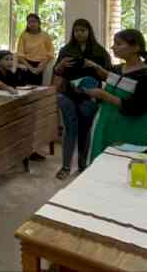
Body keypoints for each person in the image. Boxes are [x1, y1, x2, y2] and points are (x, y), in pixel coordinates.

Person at [84, 29, 147, 163]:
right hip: (106, 128)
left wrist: (103, 95)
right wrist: (96, 68)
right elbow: (116, 81)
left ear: (135, 47)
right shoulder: (119, 69)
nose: (113, 47)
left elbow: (135, 108)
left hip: (131, 135)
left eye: (118, 44)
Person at [53, 19, 112, 180]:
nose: (79, 33)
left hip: (90, 95)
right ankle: (65, 167)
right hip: (67, 95)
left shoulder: (99, 51)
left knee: (85, 130)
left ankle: (83, 166)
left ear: (89, 31)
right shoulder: (66, 49)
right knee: (69, 130)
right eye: (76, 30)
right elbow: (57, 72)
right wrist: (62, 64)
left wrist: (94, 66)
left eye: (83, 30)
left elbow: (108, 75)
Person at [16, 13, 55, 85]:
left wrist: (42, 66)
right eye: (29, 22)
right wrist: (31, 68)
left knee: (36, 87)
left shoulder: (45, 35)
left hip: (41, 63)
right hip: (26, 63)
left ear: (39, 23)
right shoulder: (23, 35)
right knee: (24, 85)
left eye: (34, 21)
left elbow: (51, 52)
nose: (32, 24)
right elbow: (20, 54)